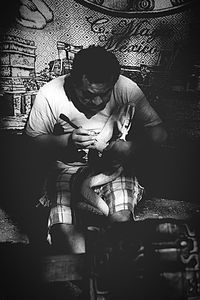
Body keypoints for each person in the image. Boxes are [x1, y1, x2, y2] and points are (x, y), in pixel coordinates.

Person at [24, 45, 167, 253]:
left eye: (105, 93)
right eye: (88, 95)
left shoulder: (126, 88)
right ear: (73, 82)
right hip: (67, 168)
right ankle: (89, 272)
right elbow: (31, 142)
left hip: (113, 169)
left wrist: (130, 148)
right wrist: (66, 142)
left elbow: (160, 133)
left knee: (122, 224)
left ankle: (110, 271)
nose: (98, 102)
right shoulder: (51, 93)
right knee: (64, 233)